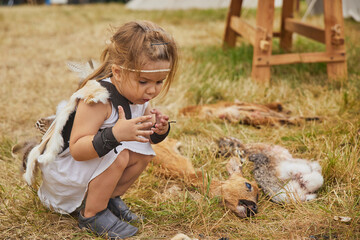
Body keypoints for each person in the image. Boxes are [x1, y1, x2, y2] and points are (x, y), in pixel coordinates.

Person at [23, 20, 178, 239]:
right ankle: (92, 214)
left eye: (159, 81)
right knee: (121, 154)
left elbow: (147, 139)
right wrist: (115, 134)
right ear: (118, 72)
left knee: (142, 152)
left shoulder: (139, 96)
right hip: (67, 174)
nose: (152, 90)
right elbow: (77, 149)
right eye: (144, 81)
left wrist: (159, 130)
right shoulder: (98, 100)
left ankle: (108, 199)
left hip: (92, 167)